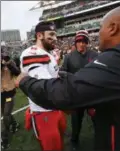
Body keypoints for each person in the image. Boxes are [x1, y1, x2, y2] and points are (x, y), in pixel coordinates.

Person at [16, 6, 120, 151]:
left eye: (100, 28)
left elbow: (64, 94)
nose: (98, 33)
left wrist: (24, 80)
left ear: (113, 28)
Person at [19, 21, 66, 151]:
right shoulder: (32, 53)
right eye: (51, 34)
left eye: (55, 35)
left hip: (55, 107)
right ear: (39, 35)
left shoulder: (48, 53)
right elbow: (44, 88)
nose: (55, 38)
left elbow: (53, 76)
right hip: (43, 111)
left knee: (60, 143)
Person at [60, 30, 98, 150]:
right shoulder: (68, 57)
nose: (81, 44)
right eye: (79, 41)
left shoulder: (94, 55)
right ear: (75, 43)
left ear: (87, 42)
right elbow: (62, 72)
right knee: (76, 121)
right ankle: (74, 140)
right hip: (77, 95)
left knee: (98, 119)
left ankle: (102, 138)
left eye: (84, 41)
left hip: (92, 95)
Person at [1, 54, 20, 149]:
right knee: (5, 113)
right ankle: (14, 124)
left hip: (9, 92)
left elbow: (17, 72)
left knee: (6, 115)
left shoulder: (9, 62)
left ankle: (4, 138)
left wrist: (8, 64)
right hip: (1, 93)